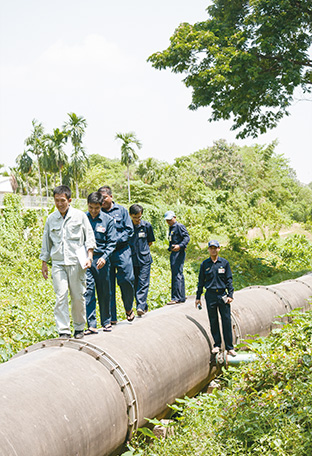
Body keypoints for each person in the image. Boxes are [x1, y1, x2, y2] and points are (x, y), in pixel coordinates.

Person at [40, 185, 96, 339]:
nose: (59, 204)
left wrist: (89, 257)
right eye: (56, 201)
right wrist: (44, 262)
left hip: (76, 262)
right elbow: (46, 242)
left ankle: (79, 327)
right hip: (58, 262)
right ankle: (63, 330)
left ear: (69, 200)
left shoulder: (80, 216)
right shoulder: (51, 218)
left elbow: (89, 238)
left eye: (62, 200)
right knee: (61, 296)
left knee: (78, 296)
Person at [98, 185, 135, 322]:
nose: (102, 201)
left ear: (111, 197)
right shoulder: (98, 213)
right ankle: (111, 317)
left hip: (121, 251)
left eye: (105, 197)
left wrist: (114, 241)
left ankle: (128, 308)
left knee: (126, 280)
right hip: (105, 254)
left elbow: (129, 230)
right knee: (107, 285)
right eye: (100, 198)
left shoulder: (122, 211)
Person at [195, 240, 236, 357]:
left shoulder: (224, 263)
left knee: (226, 321)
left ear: (219, 249)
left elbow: (229, 280)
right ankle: (217, 345)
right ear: (208, 249)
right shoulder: (205, 264)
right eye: (211, 248)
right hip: (210, 295)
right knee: (213, 320)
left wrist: (230, 295)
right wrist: (198, 297)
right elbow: (201, 281)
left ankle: (229, 347)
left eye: (215, 247)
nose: (213, 250)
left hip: (222, 295)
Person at [84, 192, 117, 334]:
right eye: (91, 207)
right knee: (89, 291)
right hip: (87, 260)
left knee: (104, 292)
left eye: (96, 208)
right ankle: (91, 324)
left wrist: (105, 257)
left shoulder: (108, 220)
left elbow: (112, 242)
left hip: (102, 260)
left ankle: (106, 321)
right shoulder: (83, 219)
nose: (93, 211)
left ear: (101, 205)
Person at [129, 204, 155, 316]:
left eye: (139, 217)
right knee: (135, 284)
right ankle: (143, 305)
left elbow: (150, 242)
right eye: (135, 218)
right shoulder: (128, 227)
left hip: (145, 259)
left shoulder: (146, 226)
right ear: (130, 215)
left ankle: (139, 306)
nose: (137, 220)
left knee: (143, 282)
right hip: (132, 260)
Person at [164, 210, 190, 304]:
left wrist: (180, 246)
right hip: (174, 252)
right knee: (177, 273)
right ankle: (181, 296)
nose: (169, 222)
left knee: (177, 274)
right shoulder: (172, 228)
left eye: (170, 219)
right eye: (167, 220)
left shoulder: (179, 226)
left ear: (174, 218)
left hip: (179, 252)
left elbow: (186, 237)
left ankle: (176, 297)